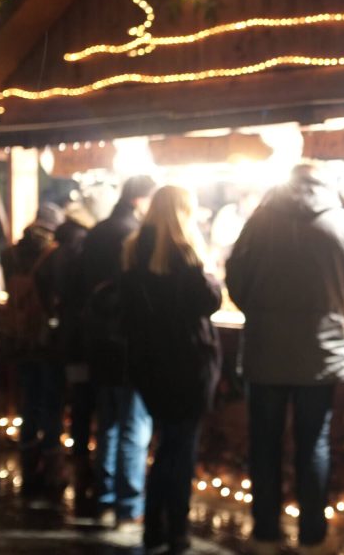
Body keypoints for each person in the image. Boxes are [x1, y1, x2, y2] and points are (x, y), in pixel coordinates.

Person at [227, 164, 344, 555]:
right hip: (320, 353)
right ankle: (312, 537)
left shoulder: (258, 224)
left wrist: (260, 313)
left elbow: (236, 281)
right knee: (313, 445)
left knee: (264, 444)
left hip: (264, 352)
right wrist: (339, 316)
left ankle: (264, 533)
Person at [120, 186, 222, 554]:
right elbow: (211, 301)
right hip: (187, 363)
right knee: (179, 449)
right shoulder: (184, 252)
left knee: (168, 444)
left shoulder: (134, 249)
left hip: (149, 364)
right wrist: (208, 271)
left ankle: (155, 526)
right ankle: (174, 528)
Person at [79, 175, 156, 527]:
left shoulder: (97, 232)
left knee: (108, 422)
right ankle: (129, 504)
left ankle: (105, 495)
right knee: (133, 426)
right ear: (143, 199)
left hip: (98, 341)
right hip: (128, 343)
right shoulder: (137, 237)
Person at [0, 202, 67, 502]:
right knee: (51, 400)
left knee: (29, 397)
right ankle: (52, 465)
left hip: (19, 337)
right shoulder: (54, 255)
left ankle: (27, 458)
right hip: (47, 339)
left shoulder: (11, 253)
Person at [43, 200, 97, 508]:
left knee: (75, 396)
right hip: (80, 337)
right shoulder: (80, 247)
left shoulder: (58, 246)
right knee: (84, 398)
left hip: (67, 335)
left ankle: (74, 454)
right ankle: (81, 457)